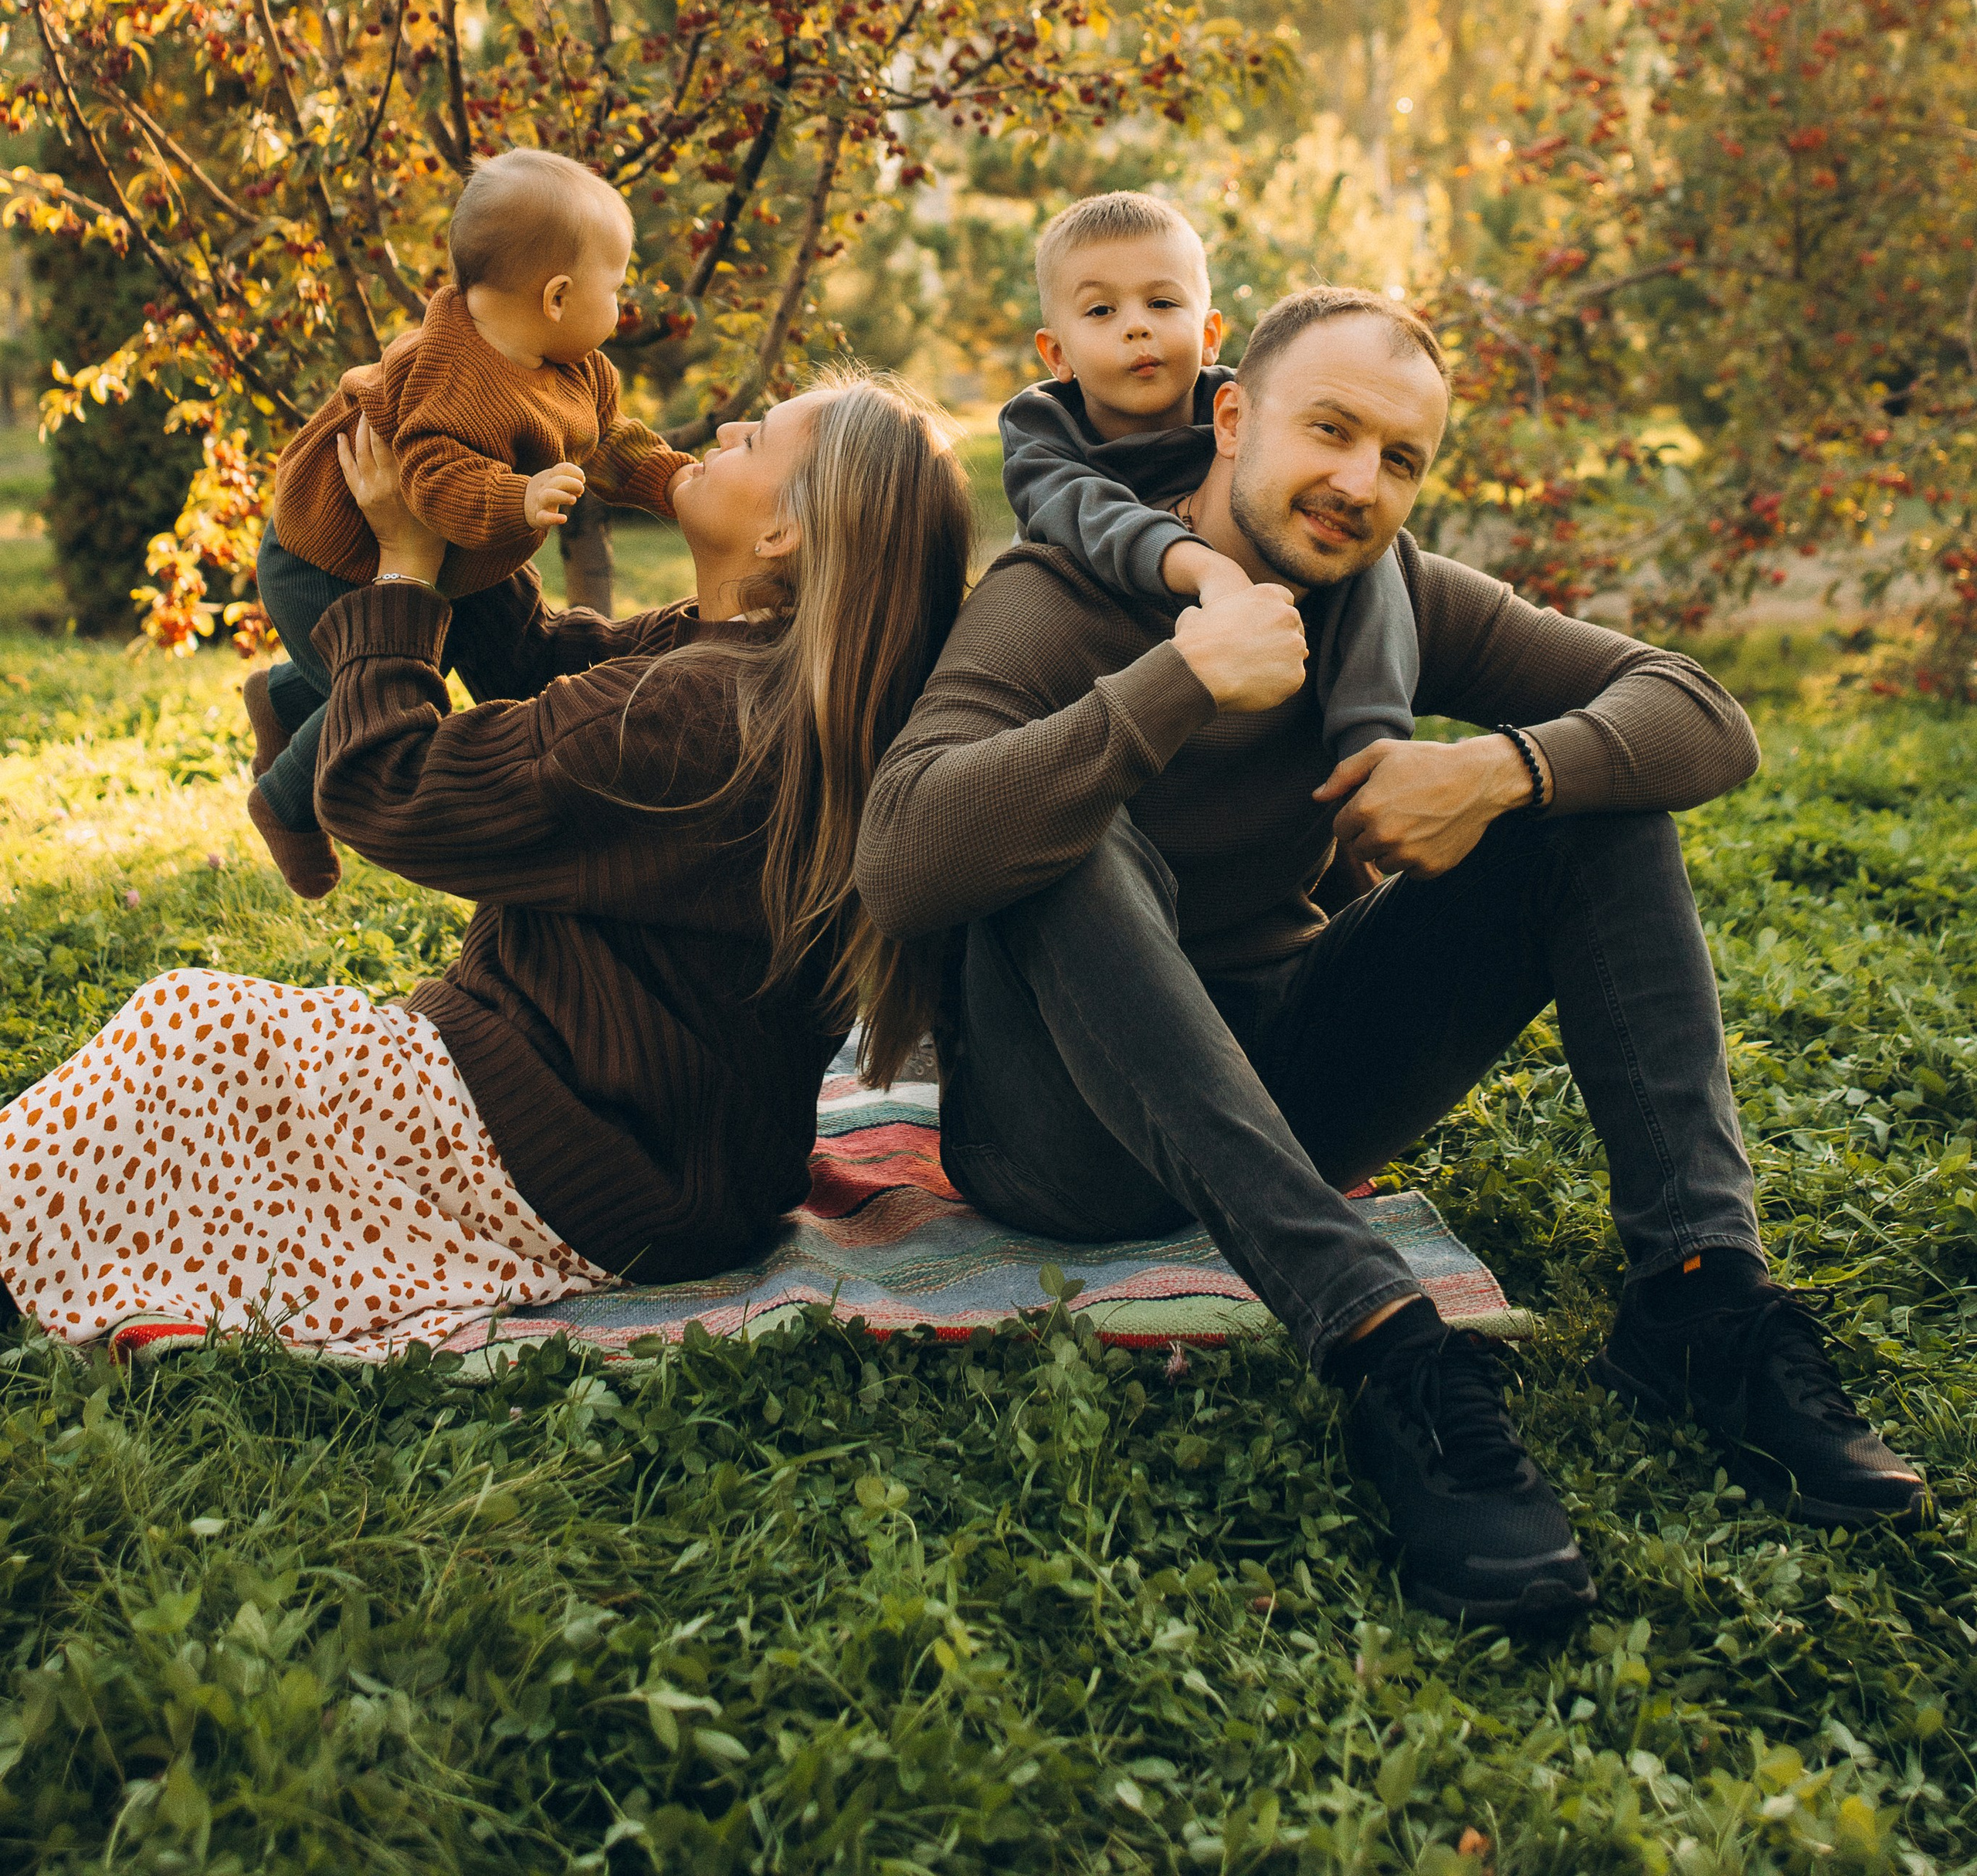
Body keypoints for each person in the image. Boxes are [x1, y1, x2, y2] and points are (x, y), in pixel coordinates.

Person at [854, 285, 1928, 1625]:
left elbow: (1703, 714)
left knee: (1592, 798)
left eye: (1401, 458)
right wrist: (1176, 682)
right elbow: (902, 856)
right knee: (1059, 825)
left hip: (1289, 1081)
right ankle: (1383, 1343)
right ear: (1232, 419)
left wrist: (1499, 768)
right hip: (1066, 1141)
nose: (1360, 484)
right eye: (1331, 430)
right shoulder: (1056, 592)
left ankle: (1703, 1303)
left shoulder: (1388, 591)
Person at [0, 369, 972, 1362]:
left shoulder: (695, 716)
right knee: (211, 1087)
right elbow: (539, 662)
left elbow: (388, 787)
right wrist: (466, 481)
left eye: (755, 439)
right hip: (658, 1147)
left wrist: (404, 575)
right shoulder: (752, 667)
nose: (724, 427)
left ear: (781, 535)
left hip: (587, 1154)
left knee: (197, 1034)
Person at [246, 148, 692, 898]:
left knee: (439, 656)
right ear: (558, 296)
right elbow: (433, 477)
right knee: (374, 696)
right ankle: (284, 802)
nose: (622, 307)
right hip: (327, 556)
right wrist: (517, 498)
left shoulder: (575, 365)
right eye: (615, 287)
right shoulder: (450, 373)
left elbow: (608, 440)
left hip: (438, 557)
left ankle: (283, 699)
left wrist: (674, 482)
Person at [999, 190, 1417, 779]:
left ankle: (1372, 742)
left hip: (1236, 670)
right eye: (1101, 311)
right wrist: (1205, 568)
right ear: (1057, 354)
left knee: (1352, 523)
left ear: (1210, 333)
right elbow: (1088, 514)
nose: (1137, 327)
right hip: (1082, 654)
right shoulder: (1039, 430)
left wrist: (1374, 737)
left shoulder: (1244, 411)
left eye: (1162, 303)